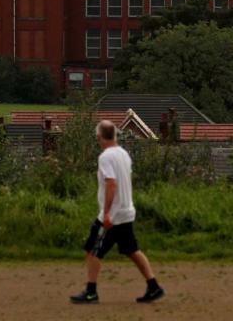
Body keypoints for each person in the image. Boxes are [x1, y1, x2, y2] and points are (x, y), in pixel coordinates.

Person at [70, 120, 164, 304]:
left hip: (113, 216)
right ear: (114, 135)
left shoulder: (105, 157)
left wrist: (106, 213)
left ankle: (91, 291)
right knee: (132, 250)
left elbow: (111, 183)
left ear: (99, 137)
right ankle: (153, 286)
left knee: (93, 250)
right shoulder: (124, 154)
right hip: (127, 211)